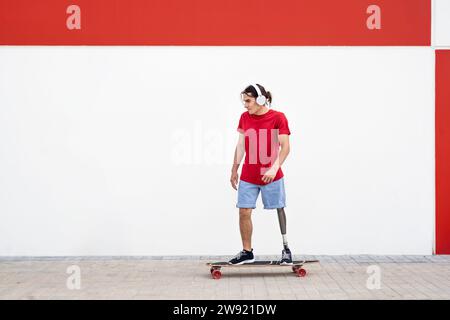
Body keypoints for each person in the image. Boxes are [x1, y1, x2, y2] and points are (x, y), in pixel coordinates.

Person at [229, 83, 292, 265]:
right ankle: (247, 252)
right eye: (244, 101)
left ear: (261, 99)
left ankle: (286, 248)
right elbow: (241, 145)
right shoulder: (244, 117)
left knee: (279, 208)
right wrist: (234, 169)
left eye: (248, 101)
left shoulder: (278, 118)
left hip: (271, 174)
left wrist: (273, 168)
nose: (245, 105)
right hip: (249, 175)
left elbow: (285, 147)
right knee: (244, 211)